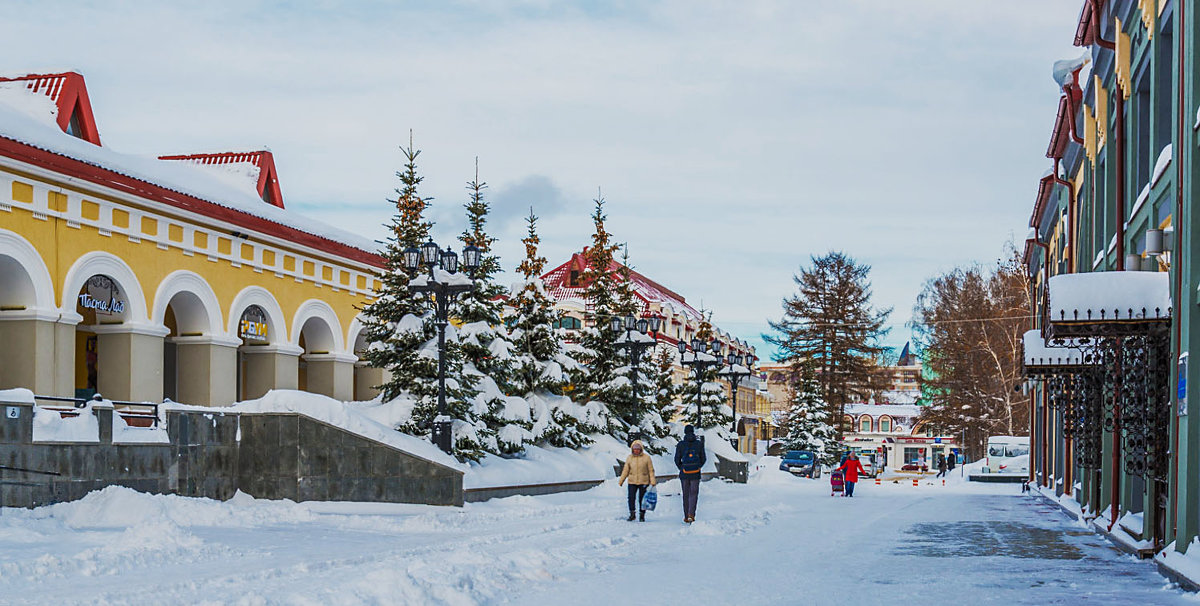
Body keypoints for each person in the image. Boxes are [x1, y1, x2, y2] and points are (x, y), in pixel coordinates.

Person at [674, 425, 706, 523]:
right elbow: (703, 458)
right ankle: (691, 514)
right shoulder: (699, 444)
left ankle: (686, 515)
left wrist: (682, 468)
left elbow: (676, 459)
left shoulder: (681, 444)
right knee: (694, 494)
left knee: (686, 494)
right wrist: (698, 467)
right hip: (695, 473)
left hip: (684, 473)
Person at [618, 440, 656, 521]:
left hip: (644, 481)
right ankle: (632, 514)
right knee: (631, 498)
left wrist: (652, 481)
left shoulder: (647, 458)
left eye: (638, 449)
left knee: (642, 499)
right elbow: (625, 470)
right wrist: (621, 480)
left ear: (641, 449)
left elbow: (651, 470)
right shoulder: (629, 458)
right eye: (635, 449)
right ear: (632, 449)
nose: (636, 450)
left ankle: (642, 515)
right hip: (632, 481)